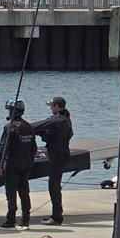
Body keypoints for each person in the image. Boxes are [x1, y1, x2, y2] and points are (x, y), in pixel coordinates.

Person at [0, 99, 37, 230]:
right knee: (24, 192)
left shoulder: (10, 127)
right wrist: (30, 161)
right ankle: (26, 220)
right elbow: (34, 148)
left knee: (11, 192)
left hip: (13, 164)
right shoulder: (29, 127)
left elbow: (4, 148)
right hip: (25, 163)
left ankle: (10, 220)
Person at [33, 96, 73, 226]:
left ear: (57, 106)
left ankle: (56, 217)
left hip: (57, 156)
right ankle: (56, 215)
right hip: (61, 154)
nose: (50, 108)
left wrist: (26, 128)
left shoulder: (58, 120)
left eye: (52, 106)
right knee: (55, 185)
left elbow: (40, 126)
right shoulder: (66, 118)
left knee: (53, 186)